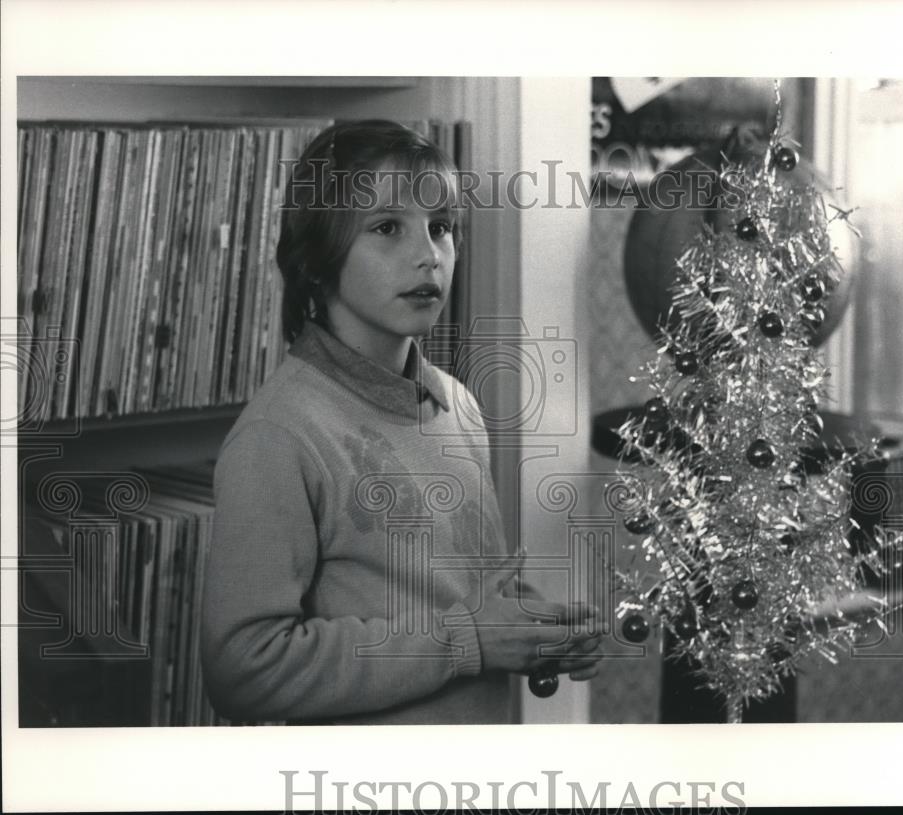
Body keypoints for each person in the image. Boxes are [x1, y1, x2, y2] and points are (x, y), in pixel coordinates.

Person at [200, 120, 603, 725]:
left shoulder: (460, 406)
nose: (428, 255)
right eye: (387, 227)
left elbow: (461, 598)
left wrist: (534, 627)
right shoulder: (278, 437)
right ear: (318, 258)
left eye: (441, 228)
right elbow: (245, 668)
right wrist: (469, 640)